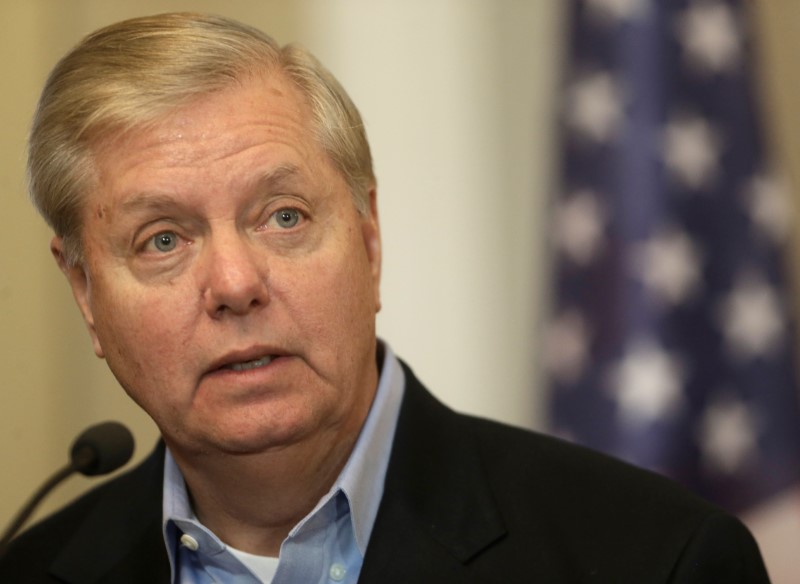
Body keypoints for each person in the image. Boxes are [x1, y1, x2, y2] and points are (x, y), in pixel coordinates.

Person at [0, 12, 771, 584]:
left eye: (284, 217)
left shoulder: (653, 559)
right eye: (162, 240)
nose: (235, 285)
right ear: (87, 294)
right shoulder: (33, 570)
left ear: (370, 240)